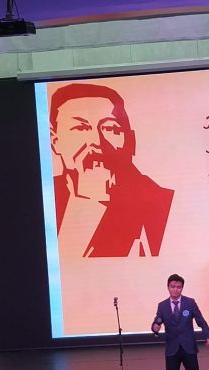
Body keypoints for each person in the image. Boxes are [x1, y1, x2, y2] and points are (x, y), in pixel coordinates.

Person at [49, 83, 174, 257]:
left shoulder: (163, 203)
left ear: (130, 140)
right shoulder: (45, 199)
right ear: (55, 141)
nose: (96, 142)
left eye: (110, 128)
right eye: (81, 128)